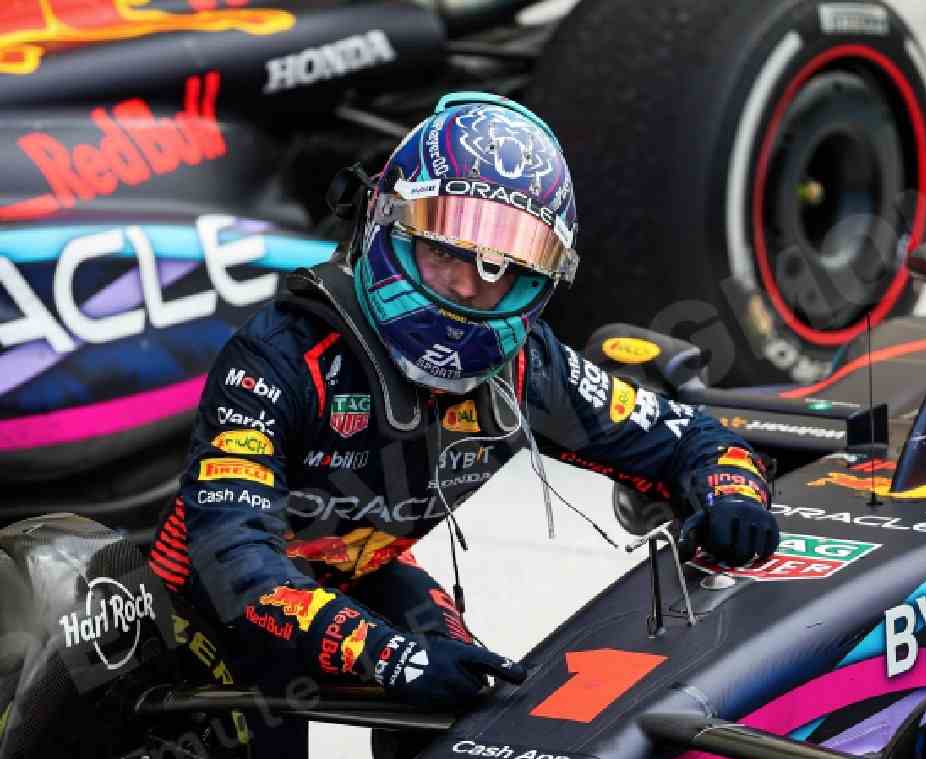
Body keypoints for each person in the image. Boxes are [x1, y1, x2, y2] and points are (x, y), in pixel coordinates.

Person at [149, 92, 780, 711]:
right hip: (199, 619)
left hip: (365, 573)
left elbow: (695, 439)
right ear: (387, 226)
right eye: (445, 250)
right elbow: (232, 557)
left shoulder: (529, 365)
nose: (467, 286)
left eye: (499, 267)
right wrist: (389, 656)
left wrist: (733, 496)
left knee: (484, 697)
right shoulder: (280, 357)